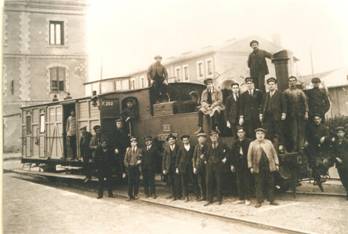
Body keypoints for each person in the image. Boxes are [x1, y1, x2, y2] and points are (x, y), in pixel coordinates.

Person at [248, 128, 279, 208]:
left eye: (261, 134)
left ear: (264, 135)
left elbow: (274, 154)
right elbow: (249, 156)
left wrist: (276, 163)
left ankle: (271, 200)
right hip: (258, 167)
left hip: (269, 166)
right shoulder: (252, 144)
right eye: (258, 134)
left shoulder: (269, 142)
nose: (260, 135)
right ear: (256, 135)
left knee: (271, 183)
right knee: (259, 184)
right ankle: (259, 201)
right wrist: (250, 166)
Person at [283, 76, 309, 152]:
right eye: (290, 81)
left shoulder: (300, 92)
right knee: (293, 132)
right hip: (290, 116)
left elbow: (305, 103)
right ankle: (294, 147)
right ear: (288, 82)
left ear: (296, 82)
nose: (292, 82)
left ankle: (301, 147)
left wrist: (306, 113)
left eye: (293, 81)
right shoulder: (286, 92)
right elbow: (283, 104)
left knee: (301, 131)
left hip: (300, 115)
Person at [305, 114, 329, 191]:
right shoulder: (311, 127)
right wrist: (306, 141)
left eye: (318, 119)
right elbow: (307, 136)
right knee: (313, 164)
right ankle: (317, 180)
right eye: (315, 119)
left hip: (322, 149)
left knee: (322, 163)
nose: (316, 120)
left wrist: (324, 137)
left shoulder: (324, 127)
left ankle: (324, 175)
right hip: (313, 147)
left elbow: (329, 136)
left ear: (321, 119)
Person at [261, 77, 287, 147]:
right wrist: (261, 114)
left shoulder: (280, 94)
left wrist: (284, 114)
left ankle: (281, 147)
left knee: (279, 132)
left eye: (272, 84)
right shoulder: (266, 95)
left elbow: (284, 105)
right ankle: (271, 147)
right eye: (269, 84)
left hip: (277, 116)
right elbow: (263, 105)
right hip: (268, 117)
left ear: (275, 85)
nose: (271, 86)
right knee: (269, 133)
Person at [205, 130, 228, 206]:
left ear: (217, 136)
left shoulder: (222, 144)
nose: (213, 137)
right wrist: (205, 160)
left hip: (219, 166)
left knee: (219, 182)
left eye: (215, 136)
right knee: (209, 182)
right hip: (210, 166)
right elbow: (204, 154)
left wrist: (224, 160)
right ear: (210, 137)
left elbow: (228, 153)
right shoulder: (207, 145)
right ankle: (209, 199)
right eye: (212, 136)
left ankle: (219, 199)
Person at [231, 127, 252, 205]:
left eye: (242, 132)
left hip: (246, 164)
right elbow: (232, 155)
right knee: (239, 182)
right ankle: (241, 198)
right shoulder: (235, 143)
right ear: (237, 134)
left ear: (244, 133)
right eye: (239, 132)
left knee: (247, 181)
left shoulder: (249, 142)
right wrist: (232, 165)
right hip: (238, 165)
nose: (240, 134)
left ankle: (247, 198)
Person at [162, 134, 182, 200]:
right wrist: (164, 168)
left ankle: (178, 195)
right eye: (170, 140)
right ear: (168, 141)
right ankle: (173, 195)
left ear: (175, 140)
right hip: (169, 167)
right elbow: (164, 159)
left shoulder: (178, 147)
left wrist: (178, 167)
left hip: (176, 167)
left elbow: (180, 158)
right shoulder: (166, 148)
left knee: (177, 181)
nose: (171, 141)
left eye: (172, 139)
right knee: (171, 181)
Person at [176, 135, 194, 202]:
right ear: (182, 141)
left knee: (193, 181)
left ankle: (197, 195)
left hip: (191, 167)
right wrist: (177, 167)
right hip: (183, 167)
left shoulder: (192, 147)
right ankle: (186, 196)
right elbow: (177, 159)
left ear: (189, 140)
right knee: (184, 182)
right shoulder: (180, 148)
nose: (185, 141)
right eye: (184, 140)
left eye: (186, 140)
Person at [332, 126, 348, 200]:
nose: (339, 134)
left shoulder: (346, 142)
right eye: (338, 132)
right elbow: (333, 152)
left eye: (341, 132)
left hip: (346, 163)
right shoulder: (335, 142)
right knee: (342, 178)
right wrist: (336, 158)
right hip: (339, 164)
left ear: (344, 133)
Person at [192, 132, 208, 201]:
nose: (201, 140)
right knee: (200, 182)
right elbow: (194, 158)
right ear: (198, 139)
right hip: (199, 167)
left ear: (205, 139)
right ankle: (202, 195)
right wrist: (194, 167)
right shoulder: (196, 147)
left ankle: (208, 195)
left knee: (207, 181)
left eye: (203, 138)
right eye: (199, 138)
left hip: (206, 167)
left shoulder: (208, 146)